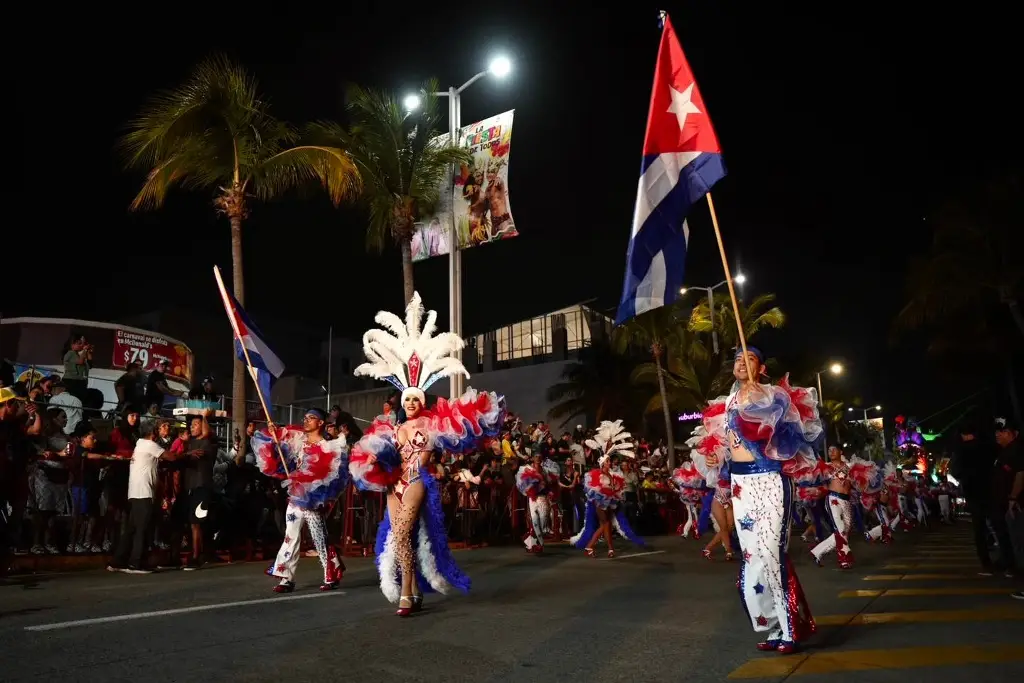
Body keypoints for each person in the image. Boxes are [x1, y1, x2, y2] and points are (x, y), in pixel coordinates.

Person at [349, 293, 505, 616]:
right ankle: (414, 588)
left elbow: (462, 426)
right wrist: (375, 461)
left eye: (414, 400)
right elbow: (376, 453)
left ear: (421, 400)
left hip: (418, 481)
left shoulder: (435, 423)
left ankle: (407, 590)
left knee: (404, 532)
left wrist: (481, 410)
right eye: (405, 400)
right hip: (395, 484)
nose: (409, 404)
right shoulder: (391, 428)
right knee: (401, 537)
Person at [694, 348, 819, 654]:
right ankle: (774, 627)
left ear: (761, 368)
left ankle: (791, 629)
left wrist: (757, 403)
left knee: (771, 552)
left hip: (770, 479)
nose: (740, 363)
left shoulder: (773, 397)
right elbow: (722, 448)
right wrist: (714, 456)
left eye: (748, 358)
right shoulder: (725, 404)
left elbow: (783, 435)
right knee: (751, 557)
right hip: (740, 484)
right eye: (737, 359)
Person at [253, 407, 349, 592]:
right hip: (296, 495)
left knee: (319, 536)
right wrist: (275, 434)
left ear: (320, 423)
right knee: (291, 535)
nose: (305, 421)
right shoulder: (298, 440)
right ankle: (285, 577)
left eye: (311, 418)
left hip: (313, 498)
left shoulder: (328, 446)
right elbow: (280, 449)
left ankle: (331, 573)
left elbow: (334, 474)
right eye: (305, 418)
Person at [108, 419, 180, 573]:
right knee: (142, 528)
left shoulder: (140, 444)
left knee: (132, 528)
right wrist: (183, 451)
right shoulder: (149, 445)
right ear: (152, 432)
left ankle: (118, 561)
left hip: (136, 492)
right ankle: (135, 562)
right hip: (144, 492)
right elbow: (171, 457)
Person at [569, 419, 644, 558]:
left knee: (607, 524)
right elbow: (595, 488)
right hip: (600, 502)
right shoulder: (598, 474)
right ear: (603, 463)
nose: (610, 462)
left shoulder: (612, 474)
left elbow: (616, 487)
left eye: (610, 460)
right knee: (606, 523)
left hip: (611, 501)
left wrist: (615, 488)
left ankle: (609, 549)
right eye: (608, 461)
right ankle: (591, 546)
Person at [515, 451, 559, 553]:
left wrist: (549, 491)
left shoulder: (544, 471)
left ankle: (534, 543)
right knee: (534, 521)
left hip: (542, 498)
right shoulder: (528, 469)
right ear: (533, 458)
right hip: (533, 498)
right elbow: (524, 485)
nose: (538, 458)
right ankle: (536, 545)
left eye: (540, 456)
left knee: (543, 521)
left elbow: (548, 485)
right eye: (536, 456)